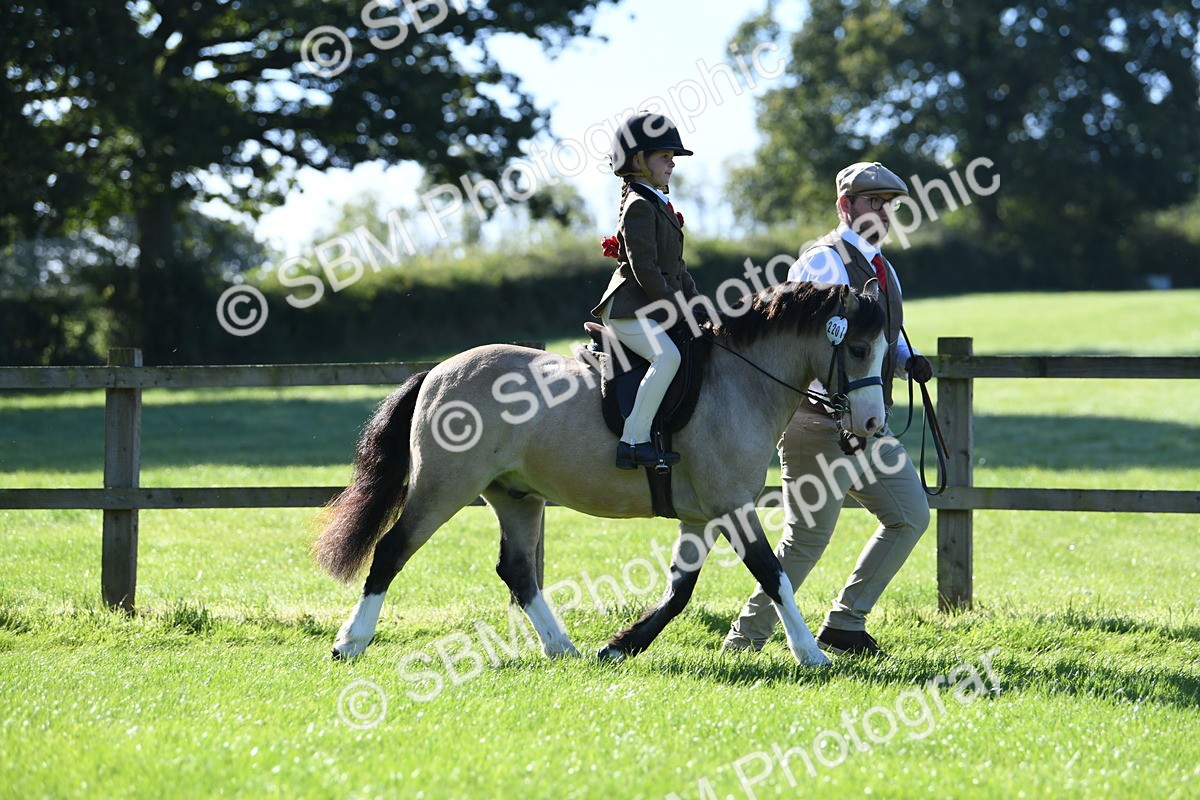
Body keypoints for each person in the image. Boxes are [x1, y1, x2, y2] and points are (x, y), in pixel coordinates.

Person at [721, 161, 935, 656]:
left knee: (910, 515)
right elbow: (801, 345)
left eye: (888, 204)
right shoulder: (822, 263)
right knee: (806, 542)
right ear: (845, 206)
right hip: (818, 423)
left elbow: (878, 340)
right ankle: (744, 640)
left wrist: (907, 359)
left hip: (869, 423)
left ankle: (844, 624)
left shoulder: (884, 269)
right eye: (873, 202)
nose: (883, 212)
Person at [591, 111, 699, 470]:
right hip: (627, 310)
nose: (672, 164)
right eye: (665, 157)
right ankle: (633, 441)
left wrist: (700, 307)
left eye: (672, 158)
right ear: (638, 161)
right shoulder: (639, 206)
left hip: (647, 307)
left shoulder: (656, 202)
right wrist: (678, 308)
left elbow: (677, 268)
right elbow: (646, 271)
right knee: (668, 358)